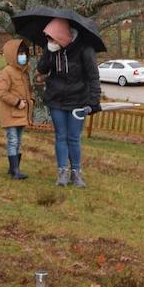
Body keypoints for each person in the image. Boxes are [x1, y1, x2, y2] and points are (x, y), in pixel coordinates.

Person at [35, 18, 100, 188]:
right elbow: (42, 70)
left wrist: (94, 102)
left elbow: (94, 77)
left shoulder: (85, 49)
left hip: (78, 101)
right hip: (56, 99)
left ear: (63, 36)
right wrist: (47, 52)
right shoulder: (51, 49)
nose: (50, 42)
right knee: (60, 136)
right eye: (47, 39)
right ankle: (62, 172)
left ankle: (76, 173)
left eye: (52, 38)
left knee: (74, 138)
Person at [0, 38, 33, 180]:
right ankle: (15, 171)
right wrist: (17, 102)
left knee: (18, 141)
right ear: (12, 54)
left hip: (21, 114)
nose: (23, 56)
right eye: (19, 53)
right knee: (13, 140)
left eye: (24, 53)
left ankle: (13, 169)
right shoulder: (7, 71)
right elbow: (0, 91)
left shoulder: (23, 72)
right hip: (11, 113)